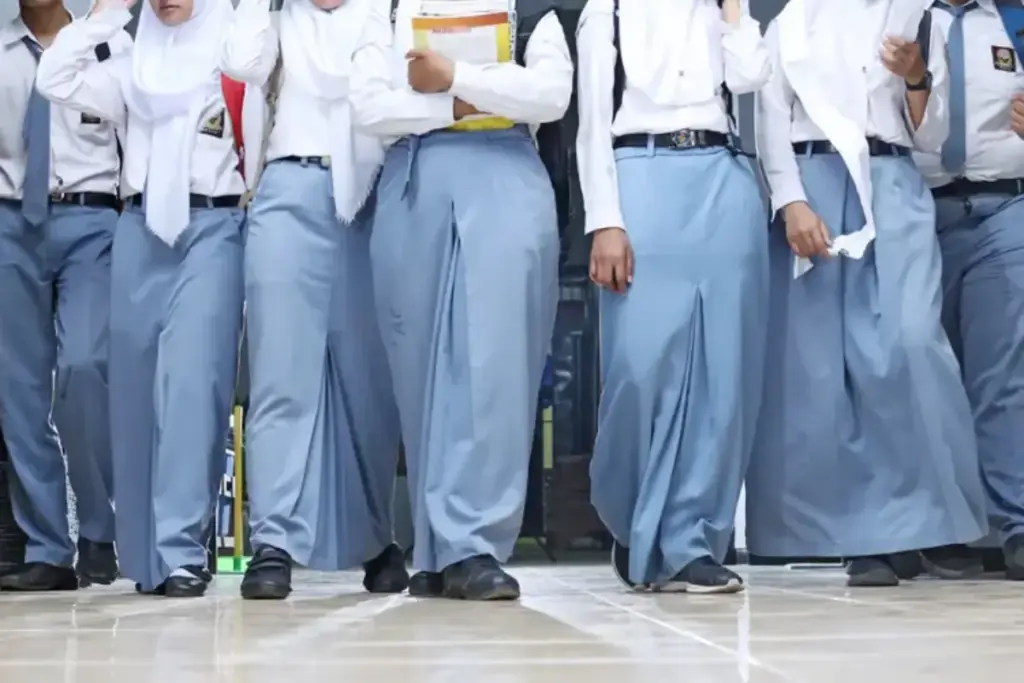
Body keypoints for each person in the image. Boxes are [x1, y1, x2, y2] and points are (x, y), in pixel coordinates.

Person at [749, 0, 990, 587]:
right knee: (827, 368)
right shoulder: (791, 22)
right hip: (815, 183)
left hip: (894, 181)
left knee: (911, 343)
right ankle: (864, 540)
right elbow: (770, 118)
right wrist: (790, 200)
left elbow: (932, 135)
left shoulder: (914, 16)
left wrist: (916, 76)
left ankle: (931, 522)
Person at [349, 0, 572, 600]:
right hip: (413, 178)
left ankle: (474, 543)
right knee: (419, 373)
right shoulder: (383, 9)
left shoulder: (533, 9)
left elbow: (550, 94)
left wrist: (454, 77)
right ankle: (435, 549)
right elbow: (370, 106)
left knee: (494, 369)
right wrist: (463, 105)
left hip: (506, 173)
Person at [35, 0, 252, 597]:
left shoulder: (233, 46)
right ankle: (145, 557)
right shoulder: (132, 58)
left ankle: (183, 550)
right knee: (132, 398)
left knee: (191, 386)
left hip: (212, 227)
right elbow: (54, 78)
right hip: (139, 230)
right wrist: (105, 15)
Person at [577, 0, 769, 594]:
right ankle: (632, 515)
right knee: (639, 366)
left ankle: (694, 541)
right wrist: (604, 220)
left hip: (723, 174)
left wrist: (733, 11)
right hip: (640, 170)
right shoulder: (606, 10)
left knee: (723, 374)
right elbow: (591, 123)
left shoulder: (724, 9)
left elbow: (751, 75)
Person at [220, 0, 408, 601]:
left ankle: (376, 538)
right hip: (286, 189)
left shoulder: (388, 14)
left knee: (369, 383)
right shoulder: (277, 20)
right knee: (280, 377)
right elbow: (240, 61)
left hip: (371, 194)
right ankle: (273, 541)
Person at [0, 0, 126, 592]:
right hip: (10, 225)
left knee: (84, 367)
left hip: (92, 220)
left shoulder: (108, 47)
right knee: (20, 394)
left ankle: (99, 528)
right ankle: (49, 547)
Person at [918, 0, 1024, 581]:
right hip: (915, 208)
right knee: (920, 373)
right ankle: (935, 529)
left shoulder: (1013, 19)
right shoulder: (900, 17)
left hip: (1004, 205)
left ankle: (1017, 524)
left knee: (1002, 372)